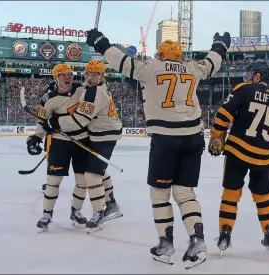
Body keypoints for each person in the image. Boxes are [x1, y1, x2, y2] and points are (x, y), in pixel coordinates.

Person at [86, 29, 231, 268]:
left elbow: (121, 62)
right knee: (185, 192)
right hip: (193, 137)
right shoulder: (192, 68)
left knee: (160, 193)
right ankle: (197, 240)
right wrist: (220, 45)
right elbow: (212, 62)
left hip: (165, 138)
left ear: (161, 55)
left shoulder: (151, 67)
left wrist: (101, 43)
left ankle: (166, 244)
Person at [208, 60, 269, 257]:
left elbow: (223, 114)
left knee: (231, 193)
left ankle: (225, 234)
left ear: (258, 76)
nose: (247, 77)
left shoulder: (244, 89)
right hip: (265, 158)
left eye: (251, 74)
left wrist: (216, 135)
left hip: (238, 151)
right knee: (263, 197)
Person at [42, 60, 123, 233]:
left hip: (101, 135)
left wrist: (56, 122)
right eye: (88, 73)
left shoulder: (93, 92)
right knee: (97, 171)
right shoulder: (88, 87)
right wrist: (37, 135)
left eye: (95, 74)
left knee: (91, 175)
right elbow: (44, 115)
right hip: (95, 135)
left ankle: (100, 211)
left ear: (101, 75)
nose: (90, 77)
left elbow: (79, 120)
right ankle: (110, 203)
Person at [26, 64, 90, 232]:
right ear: (55, 78)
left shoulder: (82, 90)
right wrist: (36, 137)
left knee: (82, 181)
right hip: (60, 141)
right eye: (62, 75)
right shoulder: (48, 98)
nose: (67, 77)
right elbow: (42, 120)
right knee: (53, 180)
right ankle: (47, 214)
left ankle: (76, 211)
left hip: (82, 140)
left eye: (69, 74)